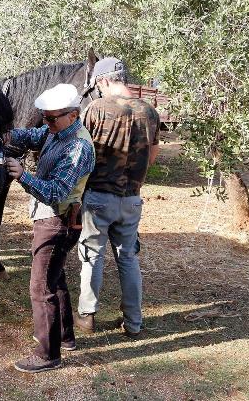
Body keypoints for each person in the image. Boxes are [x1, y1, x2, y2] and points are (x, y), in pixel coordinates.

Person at [4, 84, 95, 374]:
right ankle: (65, 337)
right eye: (44, 117)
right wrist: (5, 134)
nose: (46, 123)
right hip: (54, 220)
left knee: (40, 287)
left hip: (57, 222)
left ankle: (47, 354)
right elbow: (32, 136)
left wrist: (23, 176)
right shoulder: (57, 130)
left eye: (51, 118)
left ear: (73, 115)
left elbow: (56, 191)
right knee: (55, 279)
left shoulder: (78, 147)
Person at [74, 57, 160, 339]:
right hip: (132, 199)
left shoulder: (96, 109)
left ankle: (87, 315)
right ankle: (134, 322)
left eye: (98, 84)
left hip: (98, 197)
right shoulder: (150, 112)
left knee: (92, 256)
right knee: (128, 258)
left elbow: (81, 152)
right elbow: (153, 153)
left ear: (104, 80)